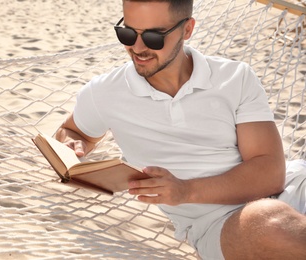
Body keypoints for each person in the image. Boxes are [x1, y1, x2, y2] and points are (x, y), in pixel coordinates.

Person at [55, 0, 306, 259]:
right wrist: (72, 143)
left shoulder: (235, 78)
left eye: (153, 37)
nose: (137, 48)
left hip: (293, 188)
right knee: (269, 224)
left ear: (187, 30)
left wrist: (186, 190)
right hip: (220, 223)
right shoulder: (105, 93)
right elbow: (73, 131)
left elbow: (270, 174)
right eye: (127, 33)